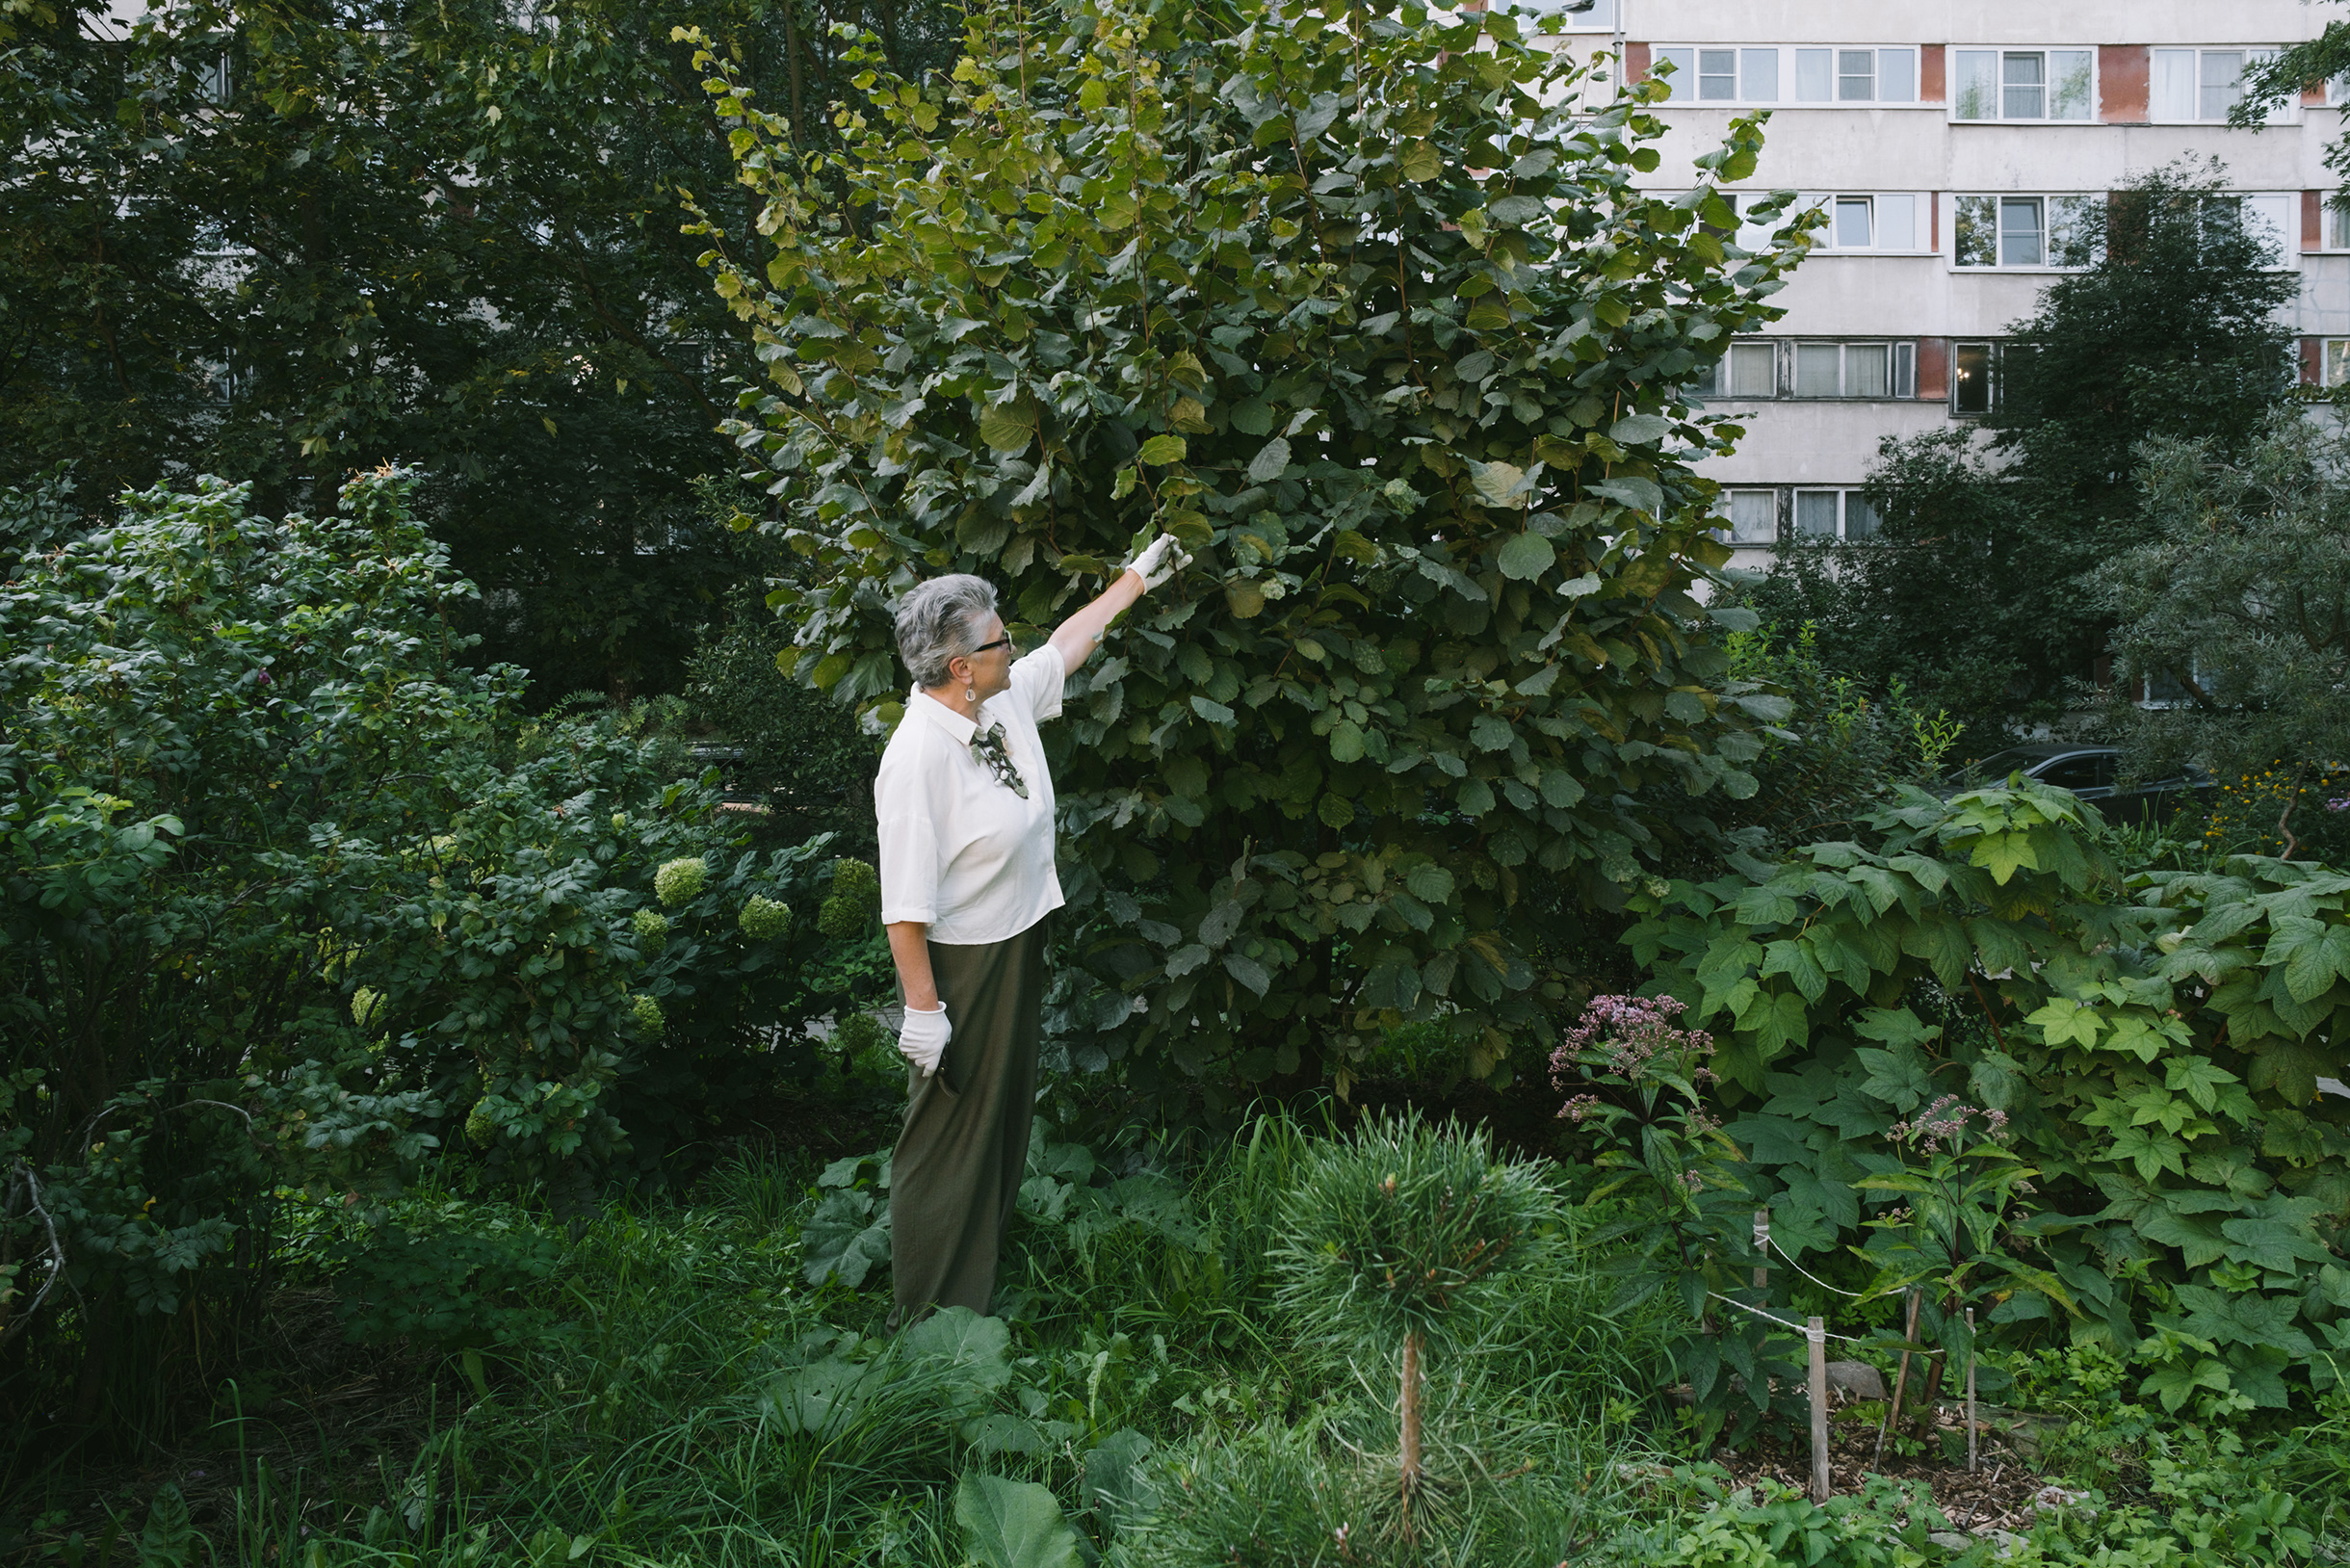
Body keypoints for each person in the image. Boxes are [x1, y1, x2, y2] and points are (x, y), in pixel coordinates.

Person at [875, 534, 1189, 1326]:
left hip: (1016, 940)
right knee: (950, 1130)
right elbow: (904, 908)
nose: (1012, 643)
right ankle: (926, 1318)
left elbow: (1067, 645)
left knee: (1002, 1115)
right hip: (961, 966)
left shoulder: (1000, 696)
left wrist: (1136, 580)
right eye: (998, 638)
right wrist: (925, 1011)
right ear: (959, 667)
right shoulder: (917, 759)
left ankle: (972, 1283)